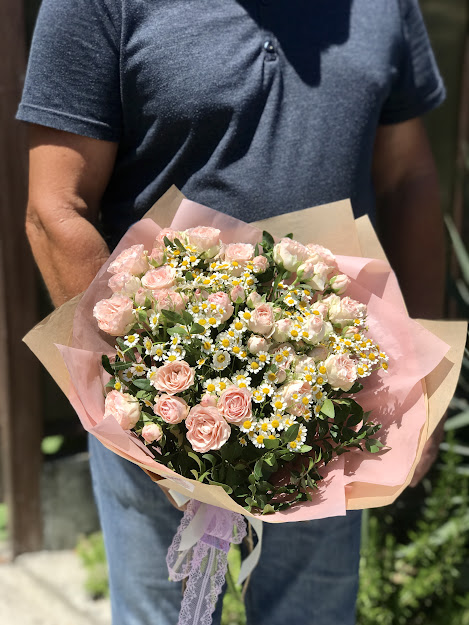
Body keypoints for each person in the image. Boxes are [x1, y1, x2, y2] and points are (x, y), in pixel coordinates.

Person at [19, 1, 446, 623]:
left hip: (334, 402)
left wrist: (424, 378)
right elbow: (56, 207)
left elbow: (409, 177)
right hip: (160, 404)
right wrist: (139, 410)